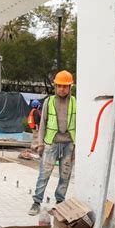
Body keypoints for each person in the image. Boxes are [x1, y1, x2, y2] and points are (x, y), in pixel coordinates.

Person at [28, 70, 76, 216]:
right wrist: (40, 143)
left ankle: (60, 203)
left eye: (65, 86)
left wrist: (76, 147)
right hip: (51, 144)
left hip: (68, 145)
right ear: (55, 86)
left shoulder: (75, 102)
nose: (62, 89)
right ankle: (36, 202)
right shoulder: (49, 102)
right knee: (44, 174)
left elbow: (80, 124)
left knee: (65, 175)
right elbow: (42, 124)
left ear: (70, 87)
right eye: (59, 86)